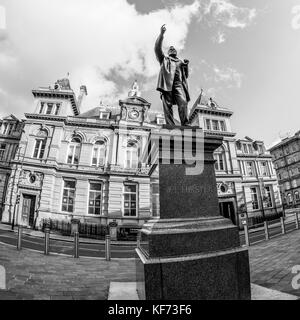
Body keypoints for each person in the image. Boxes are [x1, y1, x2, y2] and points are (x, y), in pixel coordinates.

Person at [154, 24, 190, 126]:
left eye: (174, 49)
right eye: (170, 49)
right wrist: (161, 34)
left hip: (179, 85)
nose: (172, 49)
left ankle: (185, 124)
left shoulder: (180, 62)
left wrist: (186, 66)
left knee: (183, 103)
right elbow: (157, 48)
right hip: (167, 84)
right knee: (167, 105)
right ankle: (170, 125)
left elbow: (185, 76)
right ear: (168, 52)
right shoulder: (164, 59)